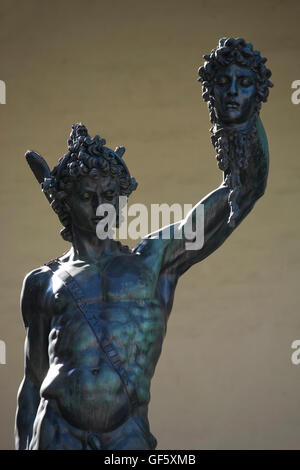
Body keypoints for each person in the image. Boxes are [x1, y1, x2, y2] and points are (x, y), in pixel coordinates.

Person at [15, 37, 272, 450]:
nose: (101, 205)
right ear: (65, 204)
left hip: (126, 433)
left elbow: (243, 190)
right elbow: (31, 382)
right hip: (56, 432)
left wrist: (237, 118)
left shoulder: (153, 261)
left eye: (109, 195)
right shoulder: (43, 282)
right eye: (87, 196)